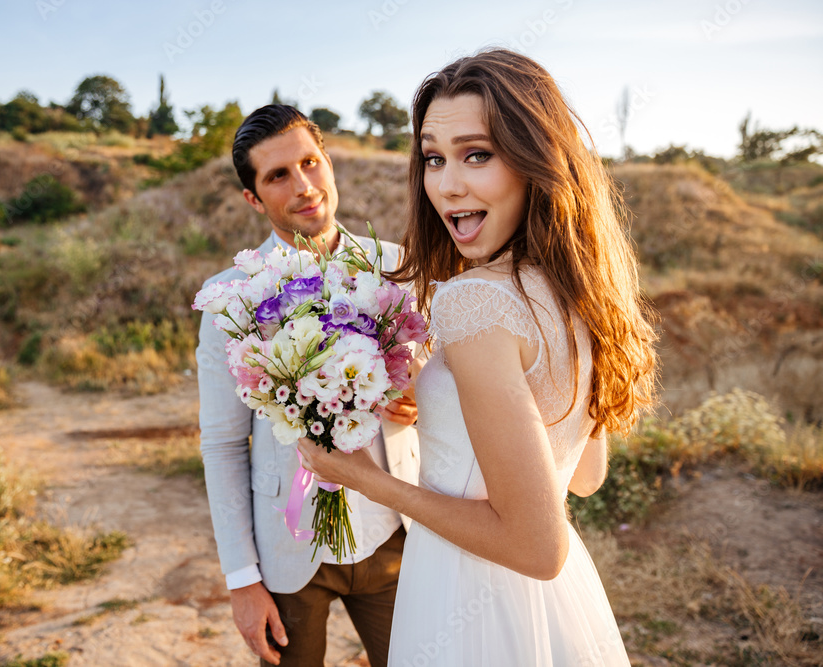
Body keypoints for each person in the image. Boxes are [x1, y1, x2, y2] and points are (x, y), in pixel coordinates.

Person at [298, 49, 658, 665]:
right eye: (434, 158)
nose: (447, 184)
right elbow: (583, 476)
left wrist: (368, 481)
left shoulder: (470, 302)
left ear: (536, 161)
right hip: (557, 607)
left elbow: (537, 548)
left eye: (477, 154)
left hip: (472, 593)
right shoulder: (578, 292)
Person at [196, 104, 421, 667]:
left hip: (398, 533)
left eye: (310, 162)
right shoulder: (233, 298)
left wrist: (419, 399)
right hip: (289, 553)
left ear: (328, 163)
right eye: (278, 176)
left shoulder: (396, 267)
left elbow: (442, 382)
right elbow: (223, 444)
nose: (303, 186)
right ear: (254, 198)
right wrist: (241, 579)